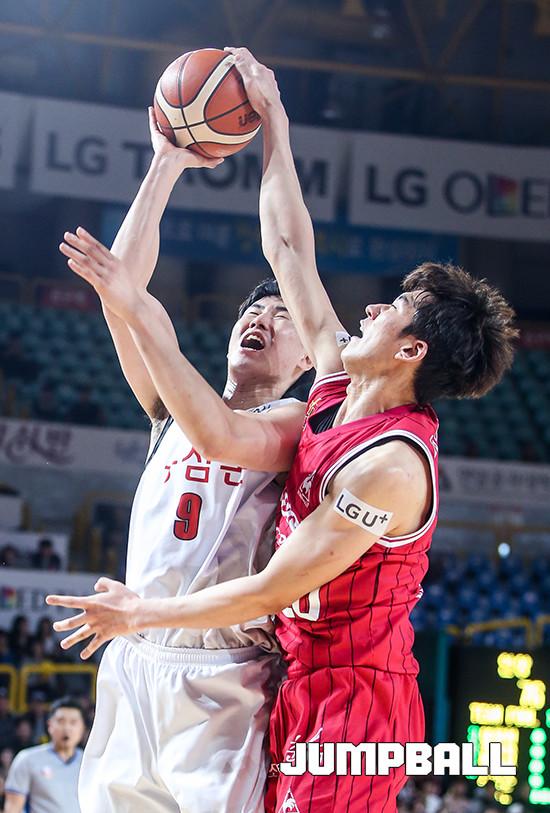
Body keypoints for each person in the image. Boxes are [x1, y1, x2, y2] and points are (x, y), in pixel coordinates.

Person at [48, 52, 517, 813]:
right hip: (279, 671)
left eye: (392, 309)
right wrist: (274, 123)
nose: (368, 309)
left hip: (349, 695)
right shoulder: (335, 387)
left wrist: (140, 612)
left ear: (410, 351)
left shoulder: (389, 466)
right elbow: (289, 246)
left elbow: (274, 584)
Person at [48, 107, 312, 813]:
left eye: (283, 316)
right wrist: (166, 162)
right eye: (253, 312)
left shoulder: (296, 422)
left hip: (223, 674)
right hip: (135, 653)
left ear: (307, 359)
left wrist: (137, 308)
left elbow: (222, 434)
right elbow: (122, 295)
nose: (261, 318)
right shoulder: (170, 411)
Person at [4, 697, 85, 813]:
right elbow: (12, 808)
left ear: (82, 728)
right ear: (50, 725)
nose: (67, 728)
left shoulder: (90, 764)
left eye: (73, 722)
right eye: (61, 721)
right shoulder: (27, 759)